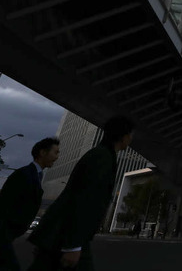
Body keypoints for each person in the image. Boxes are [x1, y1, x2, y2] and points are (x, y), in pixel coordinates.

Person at [27, 115, 135, 271]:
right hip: (66, 237)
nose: (131, 140)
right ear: (124, 137)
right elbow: (86, 201)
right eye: (131, 135)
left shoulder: (101, 155)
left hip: (61, 235)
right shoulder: (102, 158)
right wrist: (73, 245)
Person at [0, 137, 60, 271]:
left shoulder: (35, 175)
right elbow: (2, 205)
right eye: (55, 152)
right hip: (2, 236)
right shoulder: (24, 174)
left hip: (8, 236)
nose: (57, 157)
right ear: (42, 153)